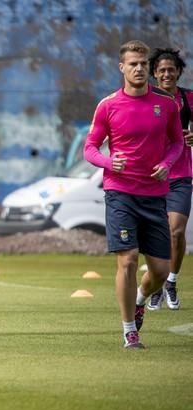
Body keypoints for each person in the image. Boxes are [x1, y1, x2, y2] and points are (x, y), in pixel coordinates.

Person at [84, 40, 184, 349]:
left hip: (155, 195)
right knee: (127, 260)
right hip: (120, 193)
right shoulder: (108, 105)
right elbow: (90, 148)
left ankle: (141, 299)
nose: (139, 68)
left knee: (161, 270)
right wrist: (107, 161)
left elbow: (177, 143)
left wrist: (167, 164)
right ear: (122, 68)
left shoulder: (166, 104)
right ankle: (129, 330)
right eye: (133, 64)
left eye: (143, 64)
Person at [147, 47, 193, 311]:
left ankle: (171, 282)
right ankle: (156, 283)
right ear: (154, 73)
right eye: (161, 70)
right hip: (151, 177)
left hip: (180, 176)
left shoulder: (188, 99)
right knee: (156, 235)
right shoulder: (146, 99)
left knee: (175, 230)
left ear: (178, 72)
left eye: (171, 69)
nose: (166, 74)